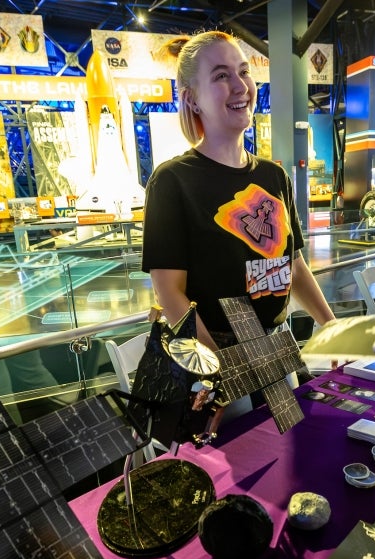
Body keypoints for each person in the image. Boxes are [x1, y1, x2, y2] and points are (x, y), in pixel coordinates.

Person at [141, 31, 335, 351]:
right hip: (214, 356)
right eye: (221, 76)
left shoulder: (274, 177)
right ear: (192, 98)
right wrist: (218, 370)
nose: (241, 86)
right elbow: (169, 292)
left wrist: (332, 327)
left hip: (277, 349)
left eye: (244, 72)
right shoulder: (172, 181)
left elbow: (294, 267)